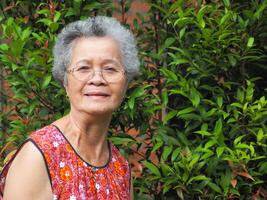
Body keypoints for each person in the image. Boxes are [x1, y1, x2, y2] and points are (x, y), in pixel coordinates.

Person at [0, 16, 140, 200]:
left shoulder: (120, 168)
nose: (97, 79)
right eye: (83, 68)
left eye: (110, 69)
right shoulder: (39, 157)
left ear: (125, 83)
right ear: (66, 82)